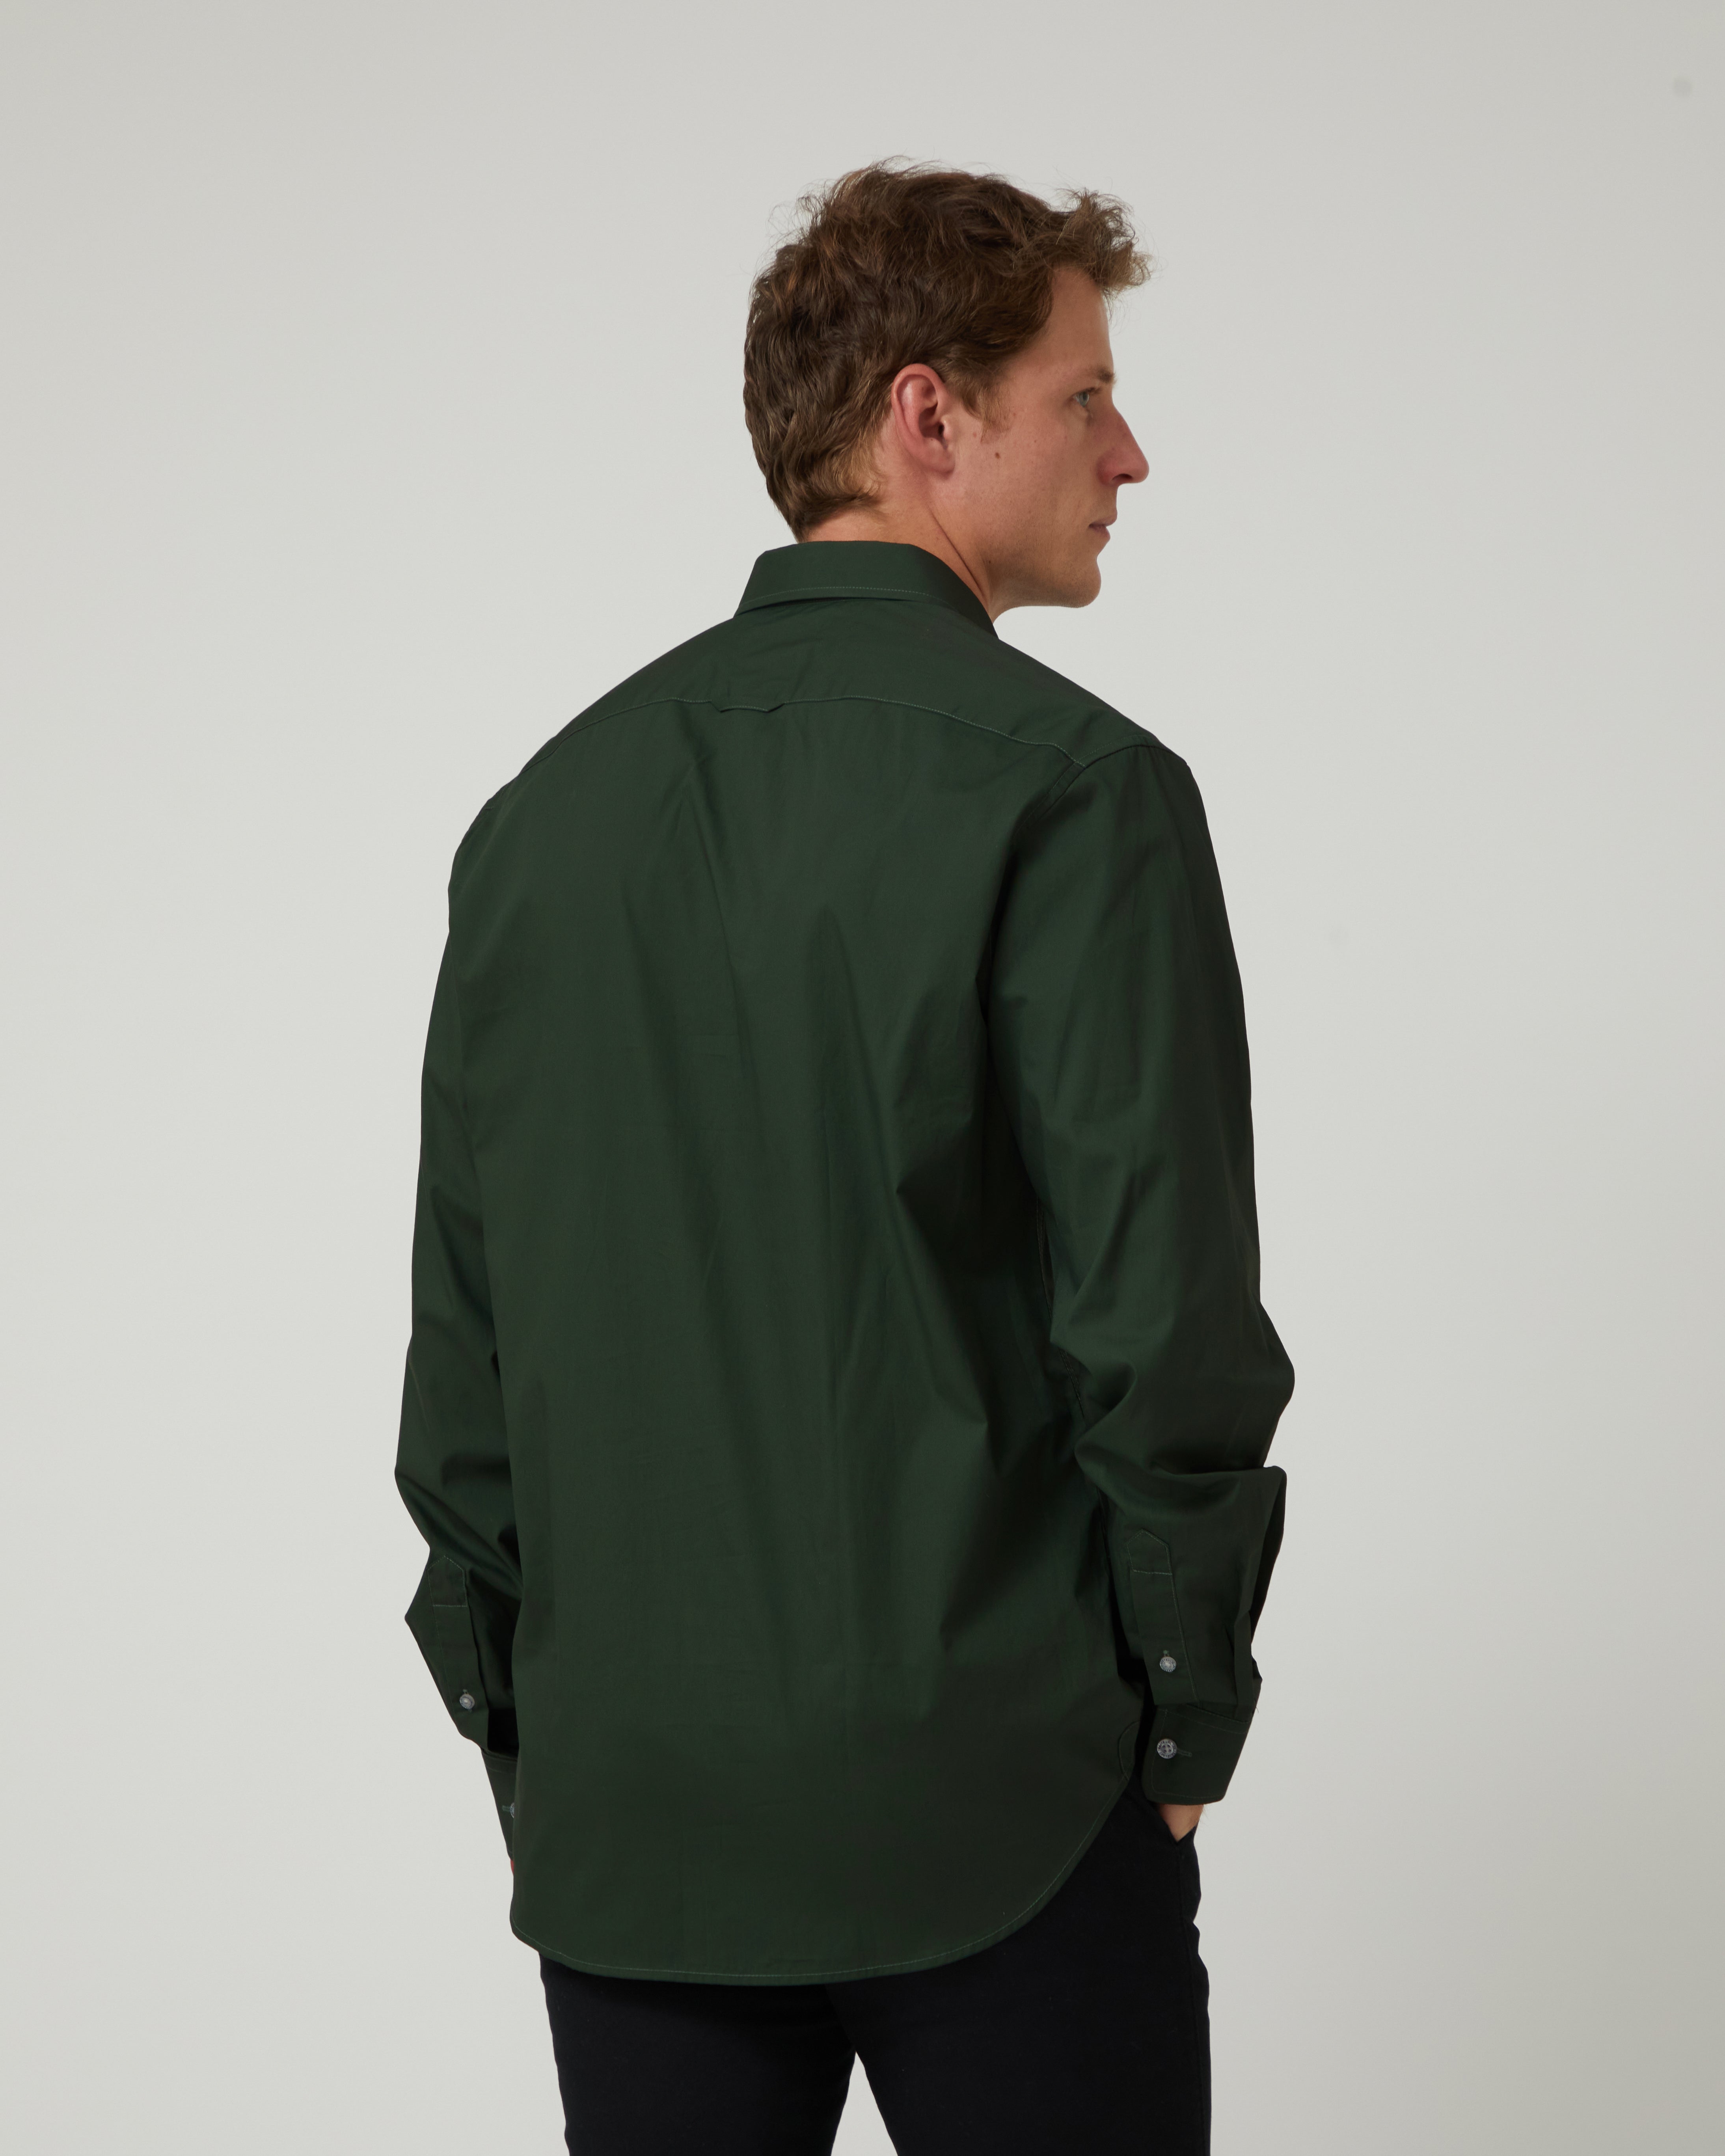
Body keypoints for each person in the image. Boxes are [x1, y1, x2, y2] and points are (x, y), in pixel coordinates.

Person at [395, 161, 1294, 2155]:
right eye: (1083, 397)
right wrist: (1182, 1701)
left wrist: (529, 1729)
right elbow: (1158, 1328)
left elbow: (466, 1362)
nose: (1128, 454)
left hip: (635, 1830)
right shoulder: (1079, 793)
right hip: (995, 1800)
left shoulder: (540, 821)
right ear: (924, 415)